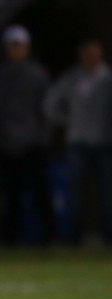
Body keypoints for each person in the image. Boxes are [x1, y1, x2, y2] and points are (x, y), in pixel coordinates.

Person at [0, 25, 52, 245]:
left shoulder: (38, 74)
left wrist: (42, 137)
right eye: (14, 46)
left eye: (21, 46)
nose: (18, 50)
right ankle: (9, 241)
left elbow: (46, 109)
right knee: (9, 196)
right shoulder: (0, 77)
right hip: (7, 145)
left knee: (41, 193)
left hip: (33, 143)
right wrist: (0, 140)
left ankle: (51, 239)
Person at [44, 39, 112, 244]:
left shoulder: (108, 79)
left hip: (105, 143)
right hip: (77, 143)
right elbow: (49, 105)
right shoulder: (72, 78)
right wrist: (68, 121)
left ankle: (109, 237)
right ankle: (74, 239)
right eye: (88, 55)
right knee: (75, 194)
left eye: (96, 55)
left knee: (108, 194)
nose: (93, 59)